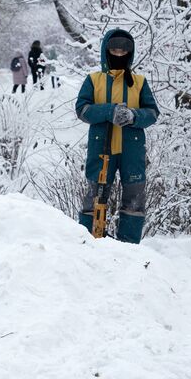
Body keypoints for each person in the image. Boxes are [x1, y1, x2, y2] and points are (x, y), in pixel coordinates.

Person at [75, 29, 159, 244]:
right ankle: (87, 243)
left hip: (132, 150)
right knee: (95, 196)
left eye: (123, 50)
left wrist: (133, 116)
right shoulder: (94, 80)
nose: (119, 54)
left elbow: (152, 113)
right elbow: (82, 110)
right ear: (106, 50)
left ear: (129, 53)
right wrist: (108, 112)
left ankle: (129, 248)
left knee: (134, 199)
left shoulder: (139, 82)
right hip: (101, 148)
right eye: (114, 49)